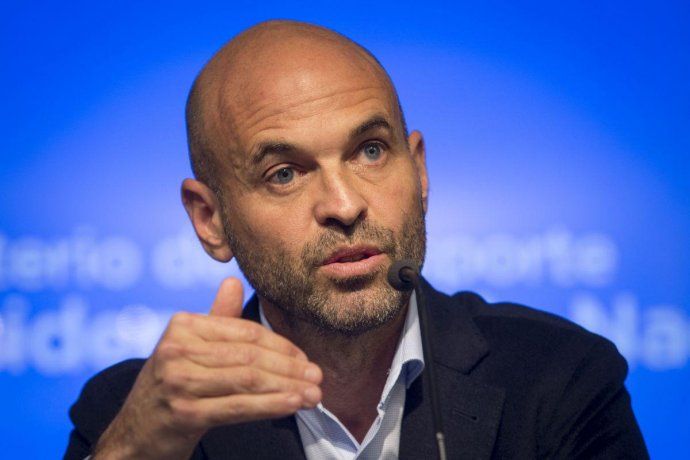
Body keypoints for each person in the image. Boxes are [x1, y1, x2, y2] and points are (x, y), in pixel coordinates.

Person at [64, 20, 648, 460]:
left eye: (370, 151)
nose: (345, 206)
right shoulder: (132, 416)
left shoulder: (560, 378)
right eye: (284, 174)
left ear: (419, 172)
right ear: (209, 219)